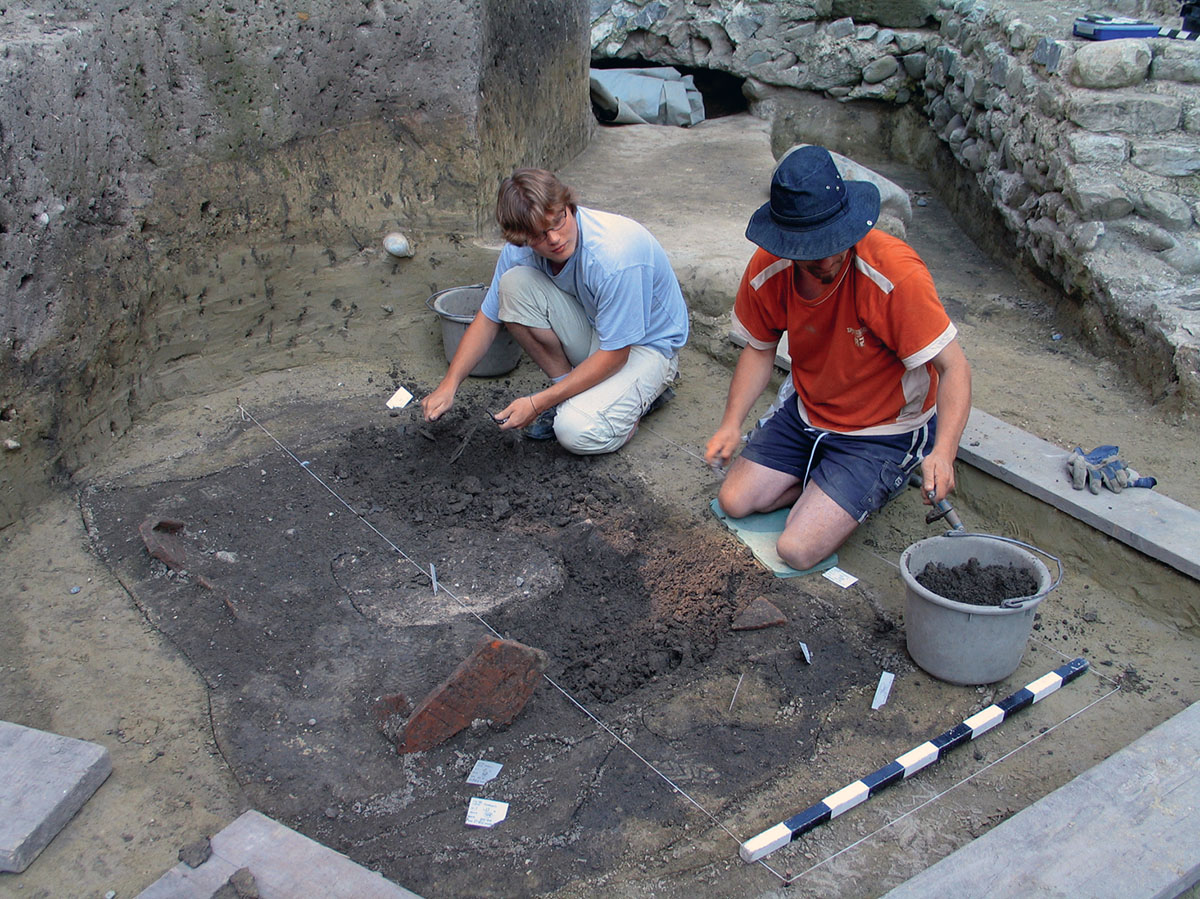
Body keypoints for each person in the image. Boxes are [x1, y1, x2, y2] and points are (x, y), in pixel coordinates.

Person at [704, 145, 972, 571]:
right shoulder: (769, 268)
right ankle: (825, 485)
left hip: (885, 428)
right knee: (733, 501)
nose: (825, 258)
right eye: (810, 249)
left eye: (833, 242)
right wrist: (732, 423)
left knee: (797, 548)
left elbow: (953, 367)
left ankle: (884, 476)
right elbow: (759, 349)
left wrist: (943, 452)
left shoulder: (893, 274)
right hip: (809, 409)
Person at [421, 168, 689, 454]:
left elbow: (616, 355)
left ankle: (633, 407)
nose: (554, 239)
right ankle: (570, 398)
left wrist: (538, 403)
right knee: (511, 286)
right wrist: (449, 384)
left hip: (646, 347)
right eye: (537, 236)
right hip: (598, 327)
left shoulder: (613, 255)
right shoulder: (520, 250)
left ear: (568, 206)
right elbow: (488, 318)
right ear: (521, 238)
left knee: (574, 431)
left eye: (558, 221)